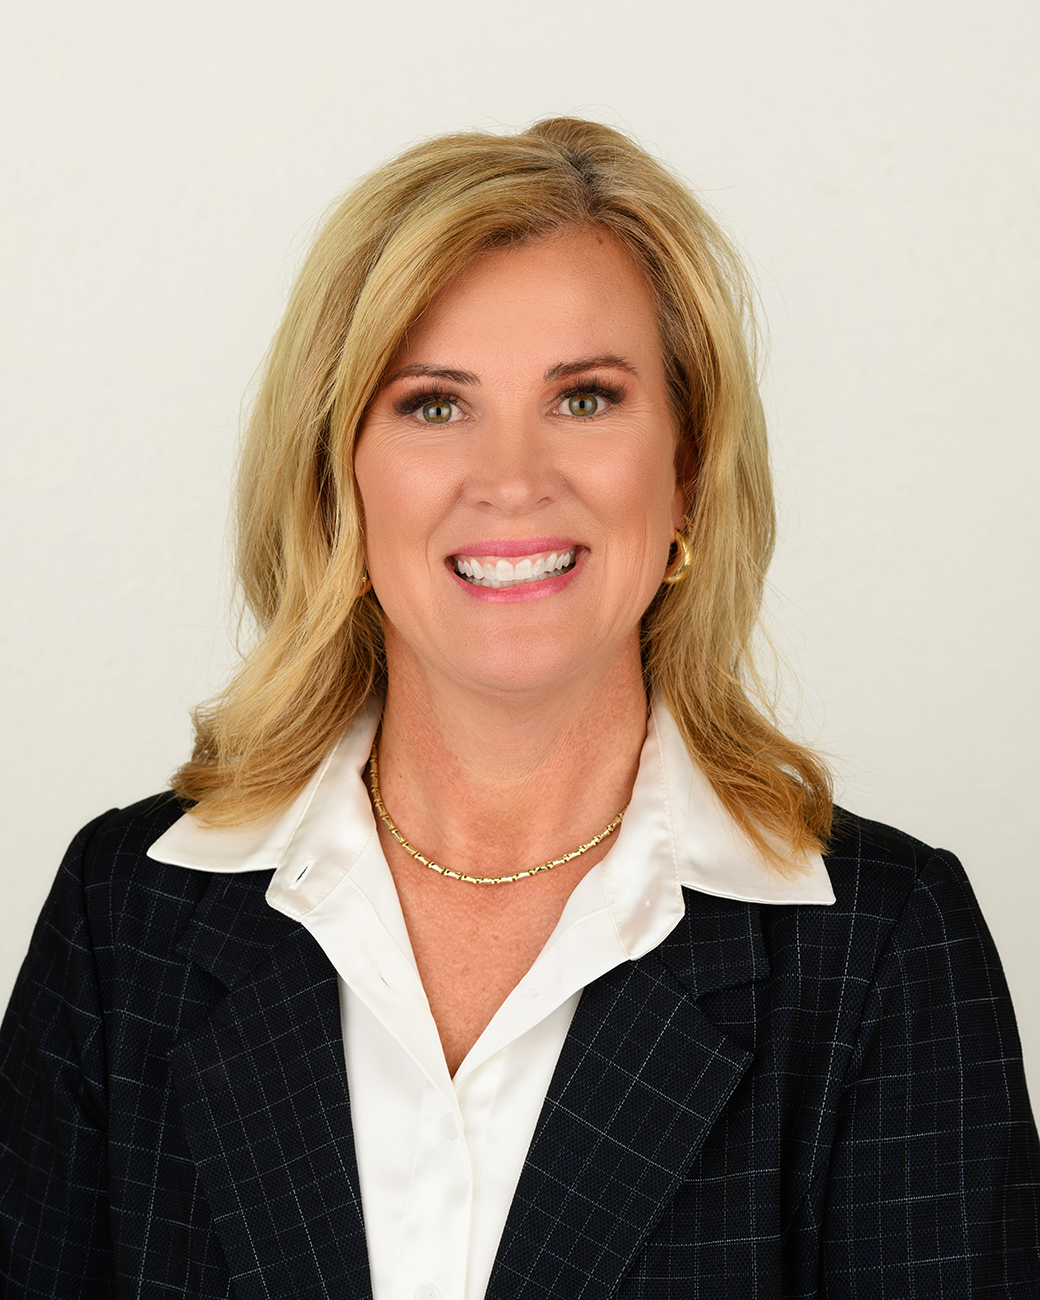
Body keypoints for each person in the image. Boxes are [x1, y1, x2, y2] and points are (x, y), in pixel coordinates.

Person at [2, 117, 1038, 1298]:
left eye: (585, 399)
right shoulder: (123, 921)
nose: (511, 478)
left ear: (687, 466)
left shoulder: (880, 952)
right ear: (333, 476)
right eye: (434, 405)